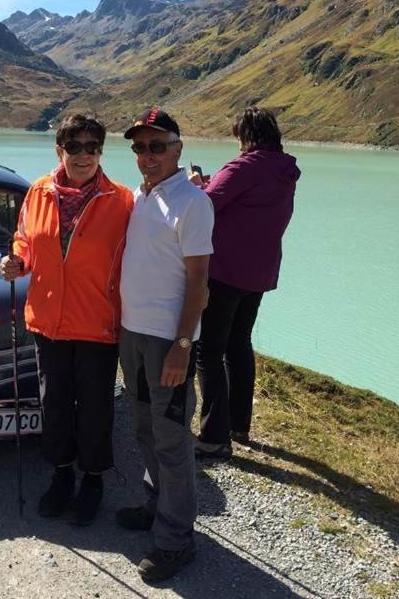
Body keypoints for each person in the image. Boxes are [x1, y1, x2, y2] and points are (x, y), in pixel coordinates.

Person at [0, 115, 133, 525]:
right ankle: (61, 476)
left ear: (101, 152)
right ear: (59, 150)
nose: (84, 155)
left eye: (92, 147)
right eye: (74, 146)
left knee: (95, 409)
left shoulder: (123, 201)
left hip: (96, 325)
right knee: (54, 404)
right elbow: (25, 239)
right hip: (48, 323)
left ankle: (92, 481)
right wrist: (16, 263)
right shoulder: (37, 192)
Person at [116, 107, 214, 583]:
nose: (148, 156)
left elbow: (199, 283)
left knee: (172, 441)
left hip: (166, 343)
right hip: (131, 335)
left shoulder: (193, 202)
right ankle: (158, 508)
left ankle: (177, 541)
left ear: (178, 148)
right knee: (143, 429)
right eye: (139, 147)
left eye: (157, 146)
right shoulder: (139, 195)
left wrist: (182, 345)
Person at [189, 108, 301, 458]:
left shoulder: (244, 167)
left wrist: (197, 186)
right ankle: (239, 424)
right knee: (238, 344)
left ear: (247, 137)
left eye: (239, 137)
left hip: (225, 271)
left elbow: (205, 206)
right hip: (259, 273)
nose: (238, 145)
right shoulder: (284, 170)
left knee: (208, 350)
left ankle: (213, 436)